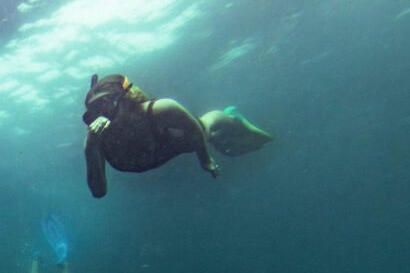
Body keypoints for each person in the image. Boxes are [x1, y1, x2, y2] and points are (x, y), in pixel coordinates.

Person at [82, 73, 274, 198]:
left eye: (105, 106)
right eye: (93, 113)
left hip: (173, 144)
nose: (101, 116)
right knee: (202, 136)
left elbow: (197, 136)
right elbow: (99, 192)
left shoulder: (161, 109)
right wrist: (91, 147)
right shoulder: (96, 140)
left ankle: (233, 118)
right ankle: (218, 136)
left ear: (125, 99)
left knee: (205, 127)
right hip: (153, 155)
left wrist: (205, 160)